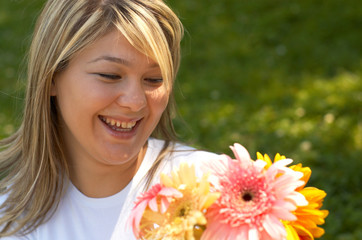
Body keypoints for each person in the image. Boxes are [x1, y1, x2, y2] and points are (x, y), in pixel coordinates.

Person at [0, 0, 220, 239]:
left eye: (154, 79)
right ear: (51, 78)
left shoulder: (217, 188)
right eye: (110, 75)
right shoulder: (10, 222)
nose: (135, 101)